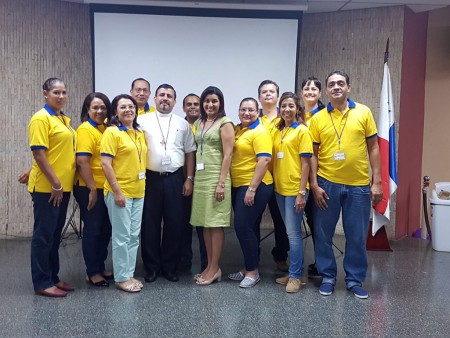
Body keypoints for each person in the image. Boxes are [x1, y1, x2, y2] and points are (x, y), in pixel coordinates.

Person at [309, 70, 383, 299]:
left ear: (348, 87)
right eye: (331, 84)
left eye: (341, 83)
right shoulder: (318, 118)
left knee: (357, 236)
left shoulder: (363, 112)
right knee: (323, 234)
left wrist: (377, 181)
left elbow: (373, 147)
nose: (336, 87)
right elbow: (313, 153)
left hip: (358, 186)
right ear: (327, 90)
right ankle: (328, 276)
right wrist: (313, 184)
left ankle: (354, 280)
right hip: (326, 184)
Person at [138, 84, 196, 283]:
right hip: (150, 179)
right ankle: (151, 268)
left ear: (174, 101)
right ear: (154, 99)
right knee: (149, 224)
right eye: (161, 95)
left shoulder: (183, 123)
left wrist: (189, 178)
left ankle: (170, 267)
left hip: (175, 179)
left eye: (169, 96)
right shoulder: (141, 121)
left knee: (174, 224)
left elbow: (190, 152)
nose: (165, 98)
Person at [28, 77, 77, 297]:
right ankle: (41, 282)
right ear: (45, 93)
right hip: (49, 188)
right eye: (56, 92)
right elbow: (38, 152)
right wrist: (55, 183)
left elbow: (54, 151)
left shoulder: (63, 119)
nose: (61, 96)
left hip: (62, 187)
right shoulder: (41, 118)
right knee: (44, 235)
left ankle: (53, 277)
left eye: (64, 92)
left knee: (55, 234)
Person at [100, 94, 147, 293]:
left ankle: (128, 272)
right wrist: (117, 191)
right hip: (120, 192)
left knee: (134, 236)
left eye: (131, 106)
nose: (128, 110)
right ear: (115, 112)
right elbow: (105, 163)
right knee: (121, 236)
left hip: (139, 192)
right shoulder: (112, 132)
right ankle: (121, 277)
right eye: (123, 107)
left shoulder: (138, 132)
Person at [190, 86, 234, 286]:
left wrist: (221, 183)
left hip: (217, 178)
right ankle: (209, 266)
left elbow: (228, 154)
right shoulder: (199, 122)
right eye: (207, 101)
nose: (210, 105)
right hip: (201, 178)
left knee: (215, 224)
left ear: (221, 104)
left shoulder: (225, 123)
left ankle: (215, 268)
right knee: (205, 224)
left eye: (214, 101)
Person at [227, 97, 273, 288]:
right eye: (243, 109)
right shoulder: (239, 130)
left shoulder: (260, 131)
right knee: (251, 227)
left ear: (258, 112)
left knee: (242, 226)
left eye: (251, 110)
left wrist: (252, 189)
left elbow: (263, 161)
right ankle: (248, 268)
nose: (246, 113)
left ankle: (253, 272)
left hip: (256, 185)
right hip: (239, 185)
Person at [272, 92, 312, 293]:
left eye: (290, 106)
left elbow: (306, 165)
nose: (286, 109)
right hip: (279, 189)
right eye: (283, 106)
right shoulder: (280, 130)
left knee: (294, 235)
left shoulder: (302, 131)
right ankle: (296, 272)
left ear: (298, 109)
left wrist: (301, 192)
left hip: (294, 190)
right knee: (290, 234)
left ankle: (296, 277)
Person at [73, 92, 113, 287]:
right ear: (87, 109)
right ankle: (92, 272)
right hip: (89, 188)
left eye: (103, 107)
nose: (100, 111)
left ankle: (100, 265)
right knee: (94, 229)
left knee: (106, 228)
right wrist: (91, 189)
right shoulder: (85, 130)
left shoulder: (104, 128)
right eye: (95, 107)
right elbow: (82, 161)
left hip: (105, 187)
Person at [258, 80, 289, 272]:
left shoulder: (285, 118)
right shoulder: (253, 118)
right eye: (264, 92)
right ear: (259, 97)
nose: (268, 94)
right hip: (259, 179)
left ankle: (281, 256)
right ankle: (253, 256)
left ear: (277, 96)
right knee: (253, 221)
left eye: (272, 91)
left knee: (281, 222)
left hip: (281, 179)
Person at [179, 93, 208, 272]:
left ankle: (207, 263)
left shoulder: (208, 126)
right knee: (183, 223)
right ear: (183, 108)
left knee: (203, 224)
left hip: (204, 180)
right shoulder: (178, 126)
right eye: (188, 104)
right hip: (182, 180)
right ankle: (184, 262)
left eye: (196, 104)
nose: (193, 107)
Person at [300, 77, 325, 279]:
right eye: (306, 88)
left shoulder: (324, 115)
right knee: (303, 219)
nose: (309, 91)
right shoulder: (297, 115)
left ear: (320, 93)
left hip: (319, 175)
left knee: (317, 222)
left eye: (313, 88)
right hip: (298, 177)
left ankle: (321, 263)